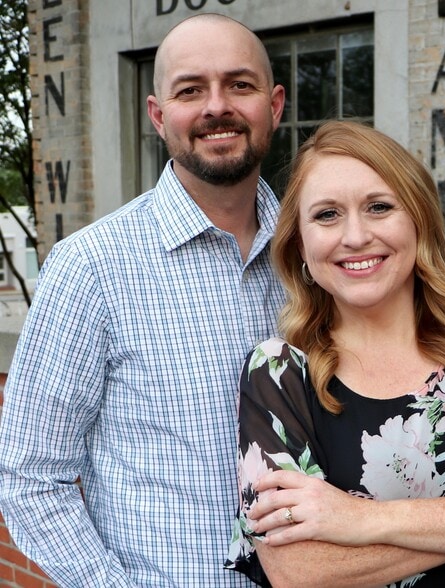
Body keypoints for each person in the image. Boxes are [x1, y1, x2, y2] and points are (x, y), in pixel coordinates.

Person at [226, 120, 445, 587]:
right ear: (299, 243)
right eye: (327, 214)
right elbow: (298, 571)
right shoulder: (279, 373)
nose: (355, 236)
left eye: (379, 207)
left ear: (419, 221)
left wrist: (358, 519)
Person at [0, 13, 285, 587]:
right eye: (190, 90)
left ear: (274, 105)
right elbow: (30, 477)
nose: (216, 107)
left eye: (239, 84)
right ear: (158, 115)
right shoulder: (91, 267)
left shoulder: (317, 257)